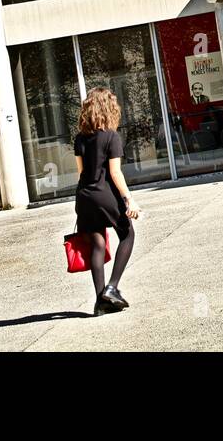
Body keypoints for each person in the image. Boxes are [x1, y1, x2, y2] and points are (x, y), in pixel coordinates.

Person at [73, 87, 140, 316]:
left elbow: (80, 171)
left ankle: (99, 303)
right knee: (127, 234)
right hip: (105, 195)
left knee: (98, 244)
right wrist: (129, 200)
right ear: (109, 109)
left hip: (84, 196)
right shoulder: (111, 136)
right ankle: (112, 287)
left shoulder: (80, 138)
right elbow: (115, 173)